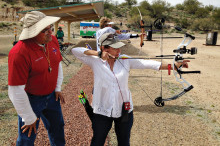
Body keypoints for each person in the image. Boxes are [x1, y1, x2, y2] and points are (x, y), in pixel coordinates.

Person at [71, 33, 190, 146]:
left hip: (123, 110)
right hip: (102, 111)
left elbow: (146, 63)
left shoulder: (124, 59)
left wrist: (173, 66)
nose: (119, 51)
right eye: (115, 48)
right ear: (104, 48)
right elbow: (75, 50)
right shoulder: (95, 61)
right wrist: (98, 54)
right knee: (97, 141)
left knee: (124, 142)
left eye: (119, 48)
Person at [8, 11, 65, 146]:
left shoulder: (52, 40)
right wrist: (28, 116)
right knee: (27, 138)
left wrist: (57, 87)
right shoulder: (19, 53)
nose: (50, 32)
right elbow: (15, 90)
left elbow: (57, 63)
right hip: (31, 100)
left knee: (58, 128)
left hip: (52, 96)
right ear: (32, 32)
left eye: (50, 27)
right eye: (44, 30)